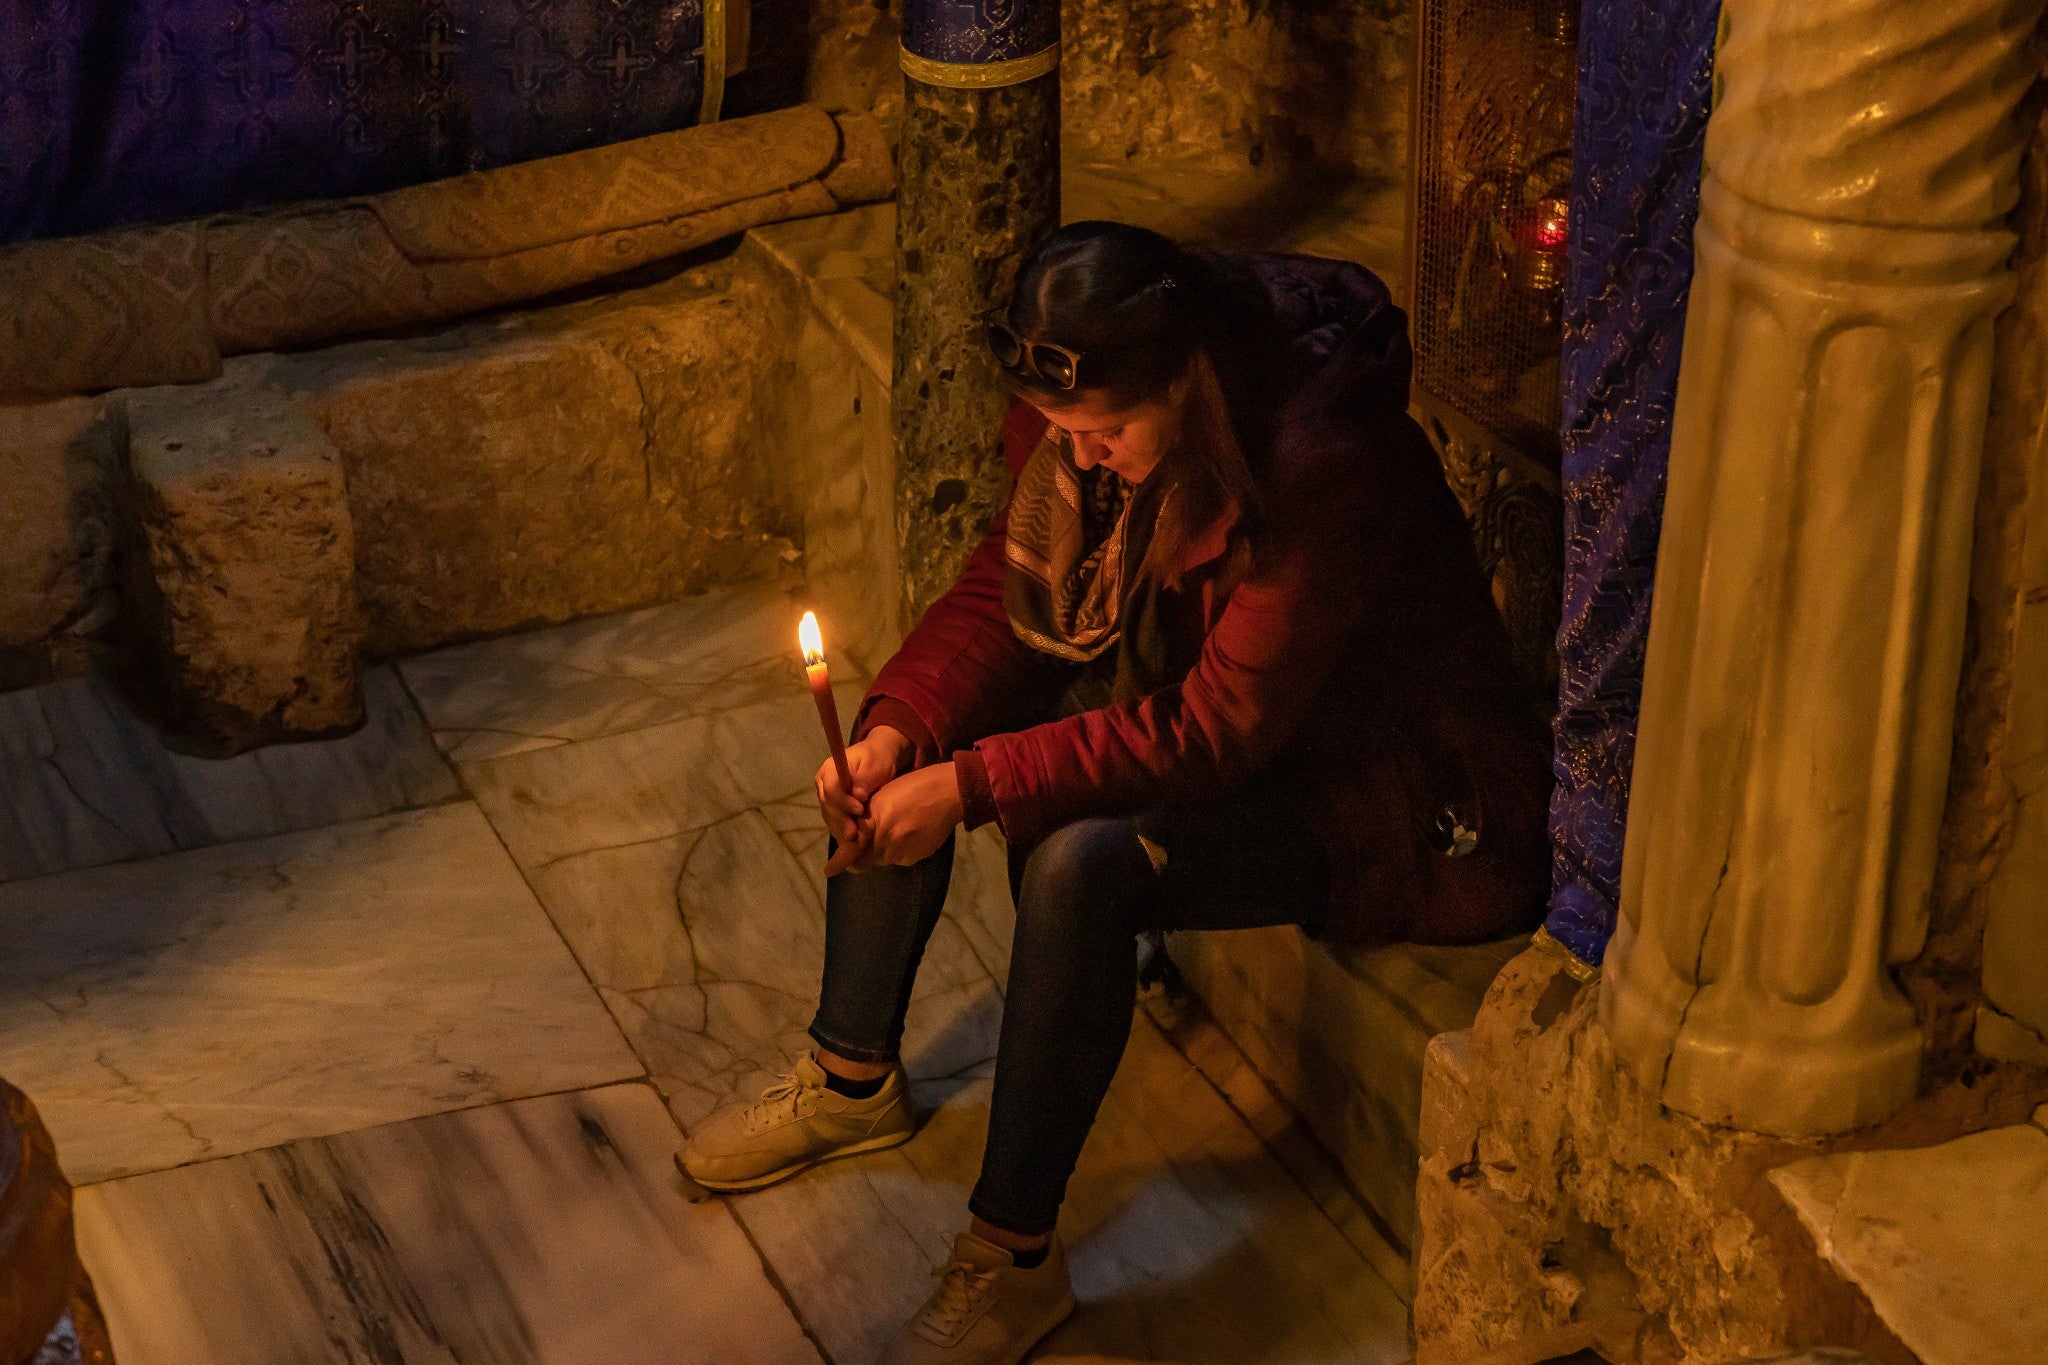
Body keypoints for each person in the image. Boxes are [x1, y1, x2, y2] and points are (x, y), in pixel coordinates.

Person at [677, 221, 1551, 1363]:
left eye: (1104, 433)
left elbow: (1213, 733)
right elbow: (1011, 585)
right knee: (919, 738)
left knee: (1079, 861)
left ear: (1188, 375)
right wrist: (898, 733)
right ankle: (850, 1076)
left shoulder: (1321, 462)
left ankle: (1013, 1257)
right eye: (1058, 434)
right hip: (1228, 712)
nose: (1079, 460)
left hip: (1388, 792)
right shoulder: (1103, 438)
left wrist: (976, 784)